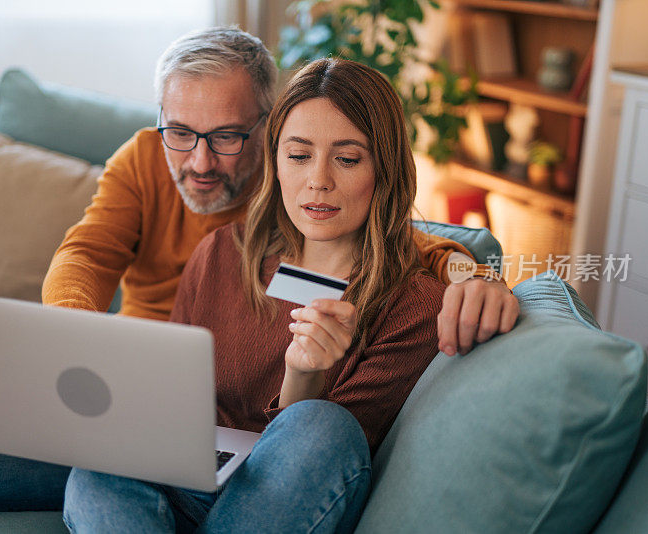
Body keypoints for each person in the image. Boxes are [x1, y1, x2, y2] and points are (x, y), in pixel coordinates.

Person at [0, 28, 516, 528]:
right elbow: (87, 254)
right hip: (136, 381)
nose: (200, 161)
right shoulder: (217, 241)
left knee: (316, 428)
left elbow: (408, 249)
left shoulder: (390, 277)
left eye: (227, 137)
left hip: (265, 455)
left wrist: (472, 270)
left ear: (261, 133)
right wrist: (71, 343)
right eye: (180, 133)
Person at [63, 56, 446, 533]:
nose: (318, 180)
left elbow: (318, 460)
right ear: (276, 161)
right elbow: (173, 396)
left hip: (282, 494)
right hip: (188, 472)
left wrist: (302, 377)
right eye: (299, 155)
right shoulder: (225, 251)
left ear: (384, 169)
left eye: (347, 159)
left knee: (323, 427)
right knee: (96, 466)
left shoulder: (415, 306)